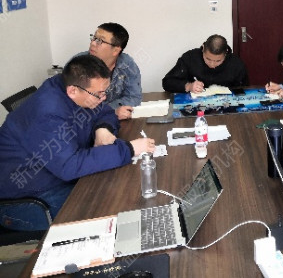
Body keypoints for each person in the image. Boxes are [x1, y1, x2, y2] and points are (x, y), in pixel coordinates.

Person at [0, 55, 155, 231]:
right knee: (109, 210)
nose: (103, 98)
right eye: (99, 94)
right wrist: (129, 149)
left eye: (105, 92)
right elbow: (70, 166)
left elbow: (104, 112)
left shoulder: (76, 91)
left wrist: (102, 129)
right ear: (73, 91)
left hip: (56, 176)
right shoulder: (47, 113)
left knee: (118, 187)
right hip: (27, 199)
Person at [75, 22, 142, 120]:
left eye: (100, 41)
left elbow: (134, 98)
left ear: (115, 50)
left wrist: (111, 110)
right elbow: (71, 107)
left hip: (116, 121)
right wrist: (110, 111)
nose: (93, 43)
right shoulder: (77, 64)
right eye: (94, 38)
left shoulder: (127, 65)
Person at [162, 34, 249, 93]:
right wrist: (188, 86)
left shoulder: (236, 64)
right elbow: (167, 82)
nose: (212, 64)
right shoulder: (190, 58)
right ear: (203, 48)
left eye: (218, 61)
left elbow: (244, 89)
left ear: (226, 53)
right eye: (208, 59)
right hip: (193, 105)